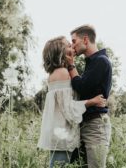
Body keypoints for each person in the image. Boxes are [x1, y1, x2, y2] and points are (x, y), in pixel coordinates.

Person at [37, 36, 106, 168]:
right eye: (69, 45)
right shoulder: (61, 73)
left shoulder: (62, 71)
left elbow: (79, 88)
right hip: (62, 138)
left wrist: (71, 65)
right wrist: (92, 101)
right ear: (60, 52)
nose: (72, 47)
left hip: (62, 135)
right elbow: (68, 109)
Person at [67, 25, 112, 168]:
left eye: (74, 41)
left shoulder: (101, 61)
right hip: (86, 124)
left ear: (85, 40)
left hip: (95, 126)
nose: (72, 46)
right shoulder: (92, 62)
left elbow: (82, 88)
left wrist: (71, 65)